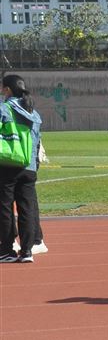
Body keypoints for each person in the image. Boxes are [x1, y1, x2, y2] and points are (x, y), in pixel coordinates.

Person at [0, 75, 43, 264]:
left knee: (5, 208)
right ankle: (27, 251)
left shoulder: (4, 108)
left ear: (8, 89)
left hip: (7, 163)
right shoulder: (33, 111)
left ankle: (7, 250)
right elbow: (37, 141)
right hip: (29, 166)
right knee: (27, 209)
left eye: (2, 88)